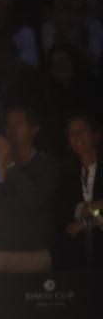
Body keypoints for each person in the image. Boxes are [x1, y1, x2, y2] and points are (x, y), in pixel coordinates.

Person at [0, 104, 60, 274]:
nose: (12, 129)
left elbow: (35, 200)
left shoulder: (47, 165)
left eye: (19, 123)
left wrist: (10, 164)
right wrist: (1, 173)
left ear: (34, 129)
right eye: (8, 124)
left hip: (34, 255)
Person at [59, 112, 102, 270]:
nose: (76, 136)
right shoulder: (66, 177)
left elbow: (86, 212)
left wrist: (85, 219)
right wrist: (94, 210)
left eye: (81, 131)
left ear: (96, 135)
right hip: (76, 259)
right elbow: (68, 218)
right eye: (71, 132)